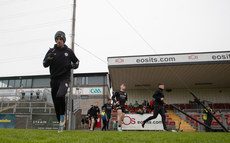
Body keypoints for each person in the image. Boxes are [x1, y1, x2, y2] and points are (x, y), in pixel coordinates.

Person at [43, 31, 79, 133]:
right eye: (57, 39)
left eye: (60, 39)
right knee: (55, 102)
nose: (58, 41)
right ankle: (60, 121)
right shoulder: (51, 51)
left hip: (64, 78)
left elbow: (77, 62)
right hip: (54, 79)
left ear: (63, 40)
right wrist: (49, 57)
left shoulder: (69, 51)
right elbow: (44, 64)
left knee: (60, 95)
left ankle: (63, 117)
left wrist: (72, 66)